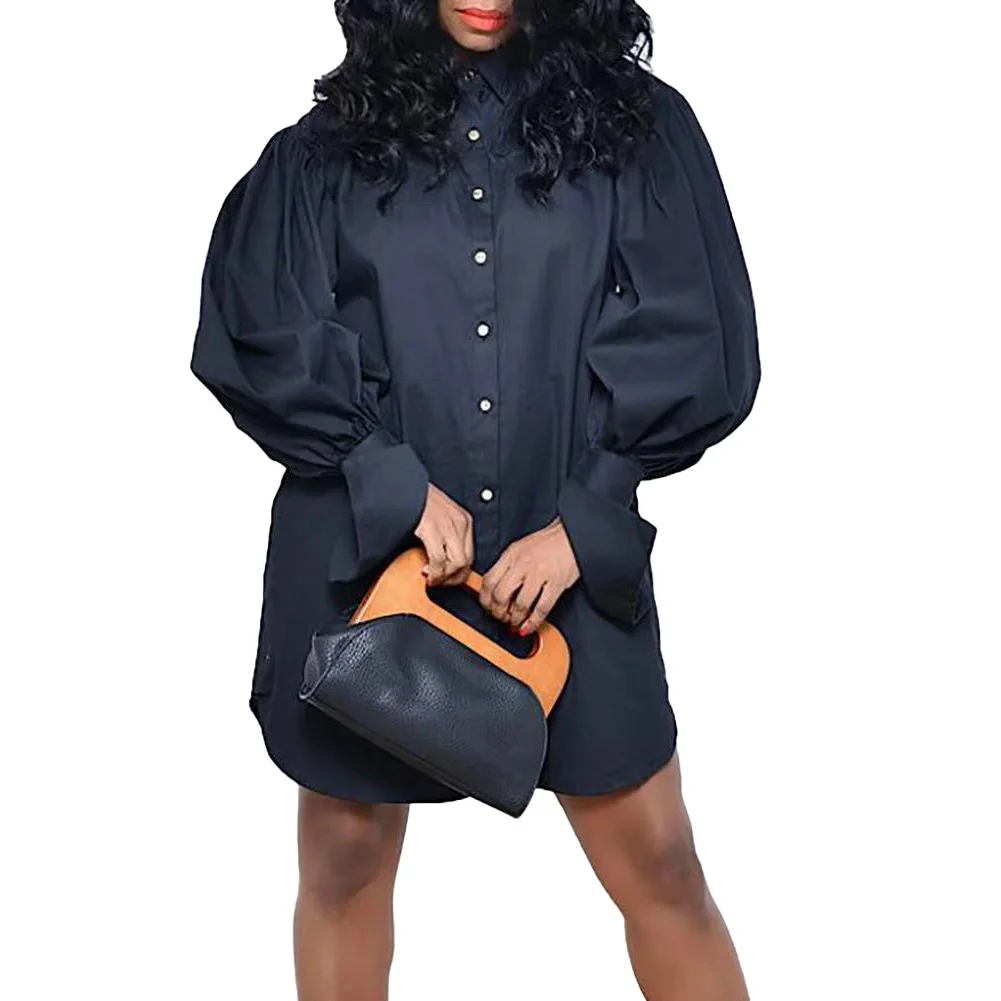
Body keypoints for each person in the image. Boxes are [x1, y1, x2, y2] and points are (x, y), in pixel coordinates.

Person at [190, 0, 760, 996]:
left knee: (661, 862)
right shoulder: (323, 152)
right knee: (344, 862)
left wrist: (584, 522)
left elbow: (698, 337)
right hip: (368, 560)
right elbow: (257, 331)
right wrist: (389, 478)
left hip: (570, 561)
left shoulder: (638, 131)